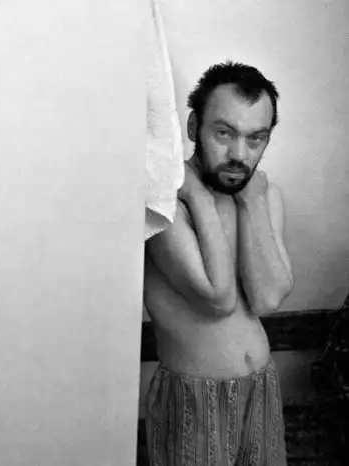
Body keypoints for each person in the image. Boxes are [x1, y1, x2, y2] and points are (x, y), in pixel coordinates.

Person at [143, 61, 294, 465]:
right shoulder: (164, 205)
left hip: (262, 387)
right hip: (194, 397)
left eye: (255, 138)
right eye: (224, 133)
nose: (239, 155)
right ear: (194, 127)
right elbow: (217, 298)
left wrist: (250, 202)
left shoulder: (262, 195)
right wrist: (198, 197)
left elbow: (268, 299)